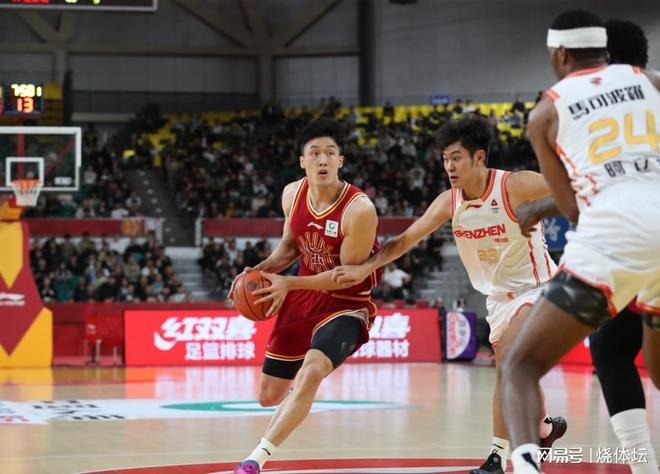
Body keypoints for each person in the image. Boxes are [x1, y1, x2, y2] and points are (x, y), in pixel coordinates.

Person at [332, 114, 566, 474]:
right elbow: (405, 241)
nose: (449, 166)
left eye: (456, 158)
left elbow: (571, 190)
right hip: (497, 300)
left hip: (538, 289)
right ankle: (545, 429)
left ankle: (497, 458)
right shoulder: (449, 202)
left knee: (508, 364)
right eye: (445, 159)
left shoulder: (515, 185)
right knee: (516, 370)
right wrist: (365, 268)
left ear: (479, 157)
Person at [498, 10, 660, 473]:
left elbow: (572, 208)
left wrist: (537, 208)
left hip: (614, 239)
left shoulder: (546, 110)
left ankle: (526, 465)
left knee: (520, 365)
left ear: (561, 54)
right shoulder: (652, 82)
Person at [228, 118, 382, 474]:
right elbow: (288, 248)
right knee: (268, 396)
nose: (322, 159)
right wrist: (254, 274)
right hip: (302, 297)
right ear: (302, 161)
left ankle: (255, 460)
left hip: (347, 303)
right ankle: (299, 398)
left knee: (311, 371)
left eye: (330, 153)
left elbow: (344, 278)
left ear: (340, 160)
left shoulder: (359, 210)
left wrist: (289, 284)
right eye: (314, 153)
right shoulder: (291, 194)